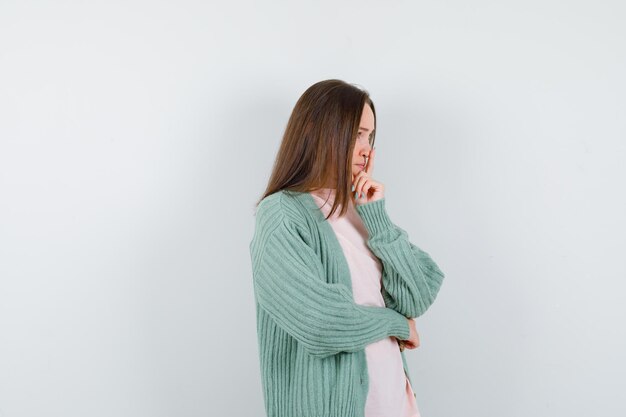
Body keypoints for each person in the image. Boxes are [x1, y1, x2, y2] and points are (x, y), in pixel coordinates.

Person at [249, 79, 445, 417]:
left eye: (370, 136)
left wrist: (377, 218)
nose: (367, 148)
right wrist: (398, 325)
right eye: (356, 134)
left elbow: (420, 292)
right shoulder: (281, 215)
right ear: (320, 131)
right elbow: (321, 323)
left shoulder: (361, 212)